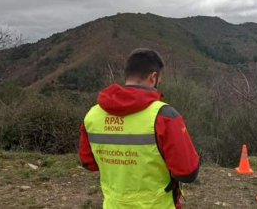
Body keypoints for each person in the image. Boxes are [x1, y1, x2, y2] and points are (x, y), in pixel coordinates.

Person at [79, 48, 199, 209]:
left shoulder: (92, 115)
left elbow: (89, 164)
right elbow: (187, 173)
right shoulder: (165, 116)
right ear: (153, 77)